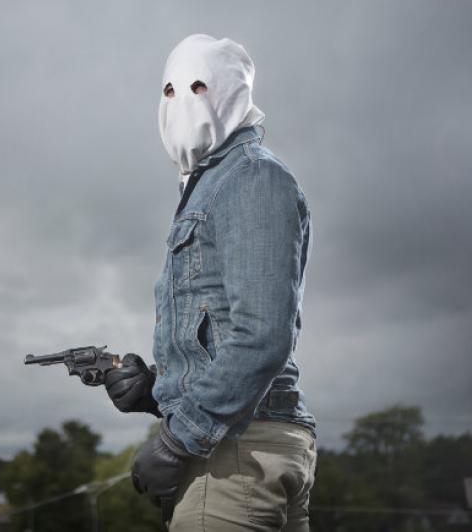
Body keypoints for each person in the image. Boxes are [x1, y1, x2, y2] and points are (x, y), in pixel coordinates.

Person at [104, 34, 318, 531]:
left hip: (235, 454)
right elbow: (220, 334)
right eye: (170, 91)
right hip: (245, 443)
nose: (183, 102)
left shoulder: (251, 177)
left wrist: (176, 440)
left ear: (233, 93)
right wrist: (156, 391)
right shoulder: (213, 184)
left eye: (199, 86)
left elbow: (262, 336)